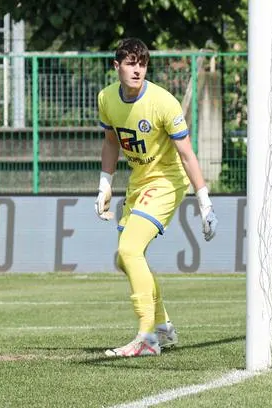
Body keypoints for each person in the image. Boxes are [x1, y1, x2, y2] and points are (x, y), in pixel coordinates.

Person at [94, 38, 218, 358]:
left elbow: (187, 155)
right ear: (116, 65)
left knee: (129, 249)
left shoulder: (164, 102)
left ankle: (146, 336)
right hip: (138, 184)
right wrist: (104, 185)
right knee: (126, 258)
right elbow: (111, 141)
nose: (137, 70)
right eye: (131, 63)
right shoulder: (106, 98)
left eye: (143, 64)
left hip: (166, 183)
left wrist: (204, 203)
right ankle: (162, 326)